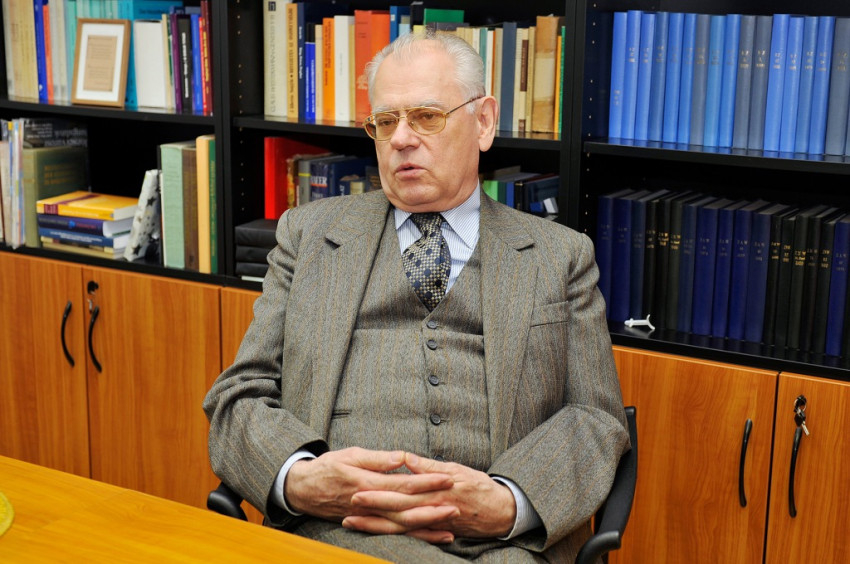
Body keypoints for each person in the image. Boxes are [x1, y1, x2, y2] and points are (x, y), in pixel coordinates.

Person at [203, 29, 629, 563]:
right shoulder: (307, 236)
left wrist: (509, 503)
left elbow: (594, 418)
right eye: (386, 121)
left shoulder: (559, 255)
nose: (402, 139)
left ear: (484, 122)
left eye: (427, 116)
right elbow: (239, 395)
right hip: (332, 532)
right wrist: (300, 478)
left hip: (501, 546)